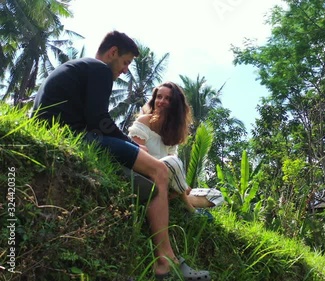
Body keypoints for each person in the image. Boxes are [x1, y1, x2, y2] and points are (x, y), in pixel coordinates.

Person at [31, 31, 210, 281]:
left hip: (61, 131)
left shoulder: (80, 67)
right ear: (112, 53)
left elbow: (92, 119)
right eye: (125, 62)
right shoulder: (99, 69)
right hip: (73, 135)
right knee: (159, 170)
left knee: (149, 175)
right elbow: (100, 120)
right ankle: (165, 262)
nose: (125, 70)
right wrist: (132, 146)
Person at [128, 82, 224, 215]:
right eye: (159, 97)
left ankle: (173, 198)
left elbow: (173, 166)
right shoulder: (144, 121)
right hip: (146, 176)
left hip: (168, 183)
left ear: (175, 105)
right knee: (173, 161)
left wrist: (181, 185)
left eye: (168, 99)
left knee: (217, 195)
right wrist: (181, 184)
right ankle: (189, 207)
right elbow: (137, 155)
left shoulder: (172, 133)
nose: (161, 101)